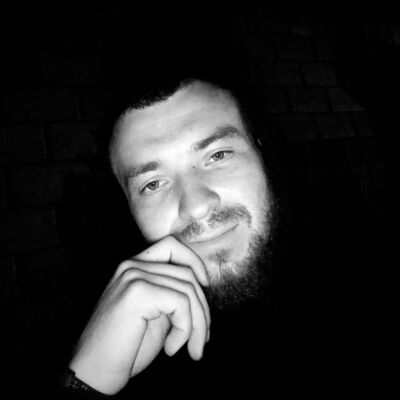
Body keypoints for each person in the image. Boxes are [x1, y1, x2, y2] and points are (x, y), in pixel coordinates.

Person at [59, 72, 283, 397]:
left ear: (260, 151)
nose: (196, 207)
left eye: (217, 155)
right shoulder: (131, 351)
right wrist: (88, 381)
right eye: (153, 184)